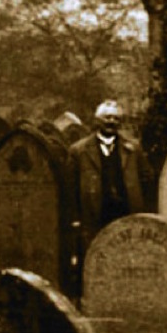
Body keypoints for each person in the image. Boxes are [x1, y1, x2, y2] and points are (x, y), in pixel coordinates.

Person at [67, 100, 154, 292]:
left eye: (116, 118)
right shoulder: (79, 151)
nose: (111, 122)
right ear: (97, 121)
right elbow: (71, 189)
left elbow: (147, 179)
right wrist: (76, 219)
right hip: (94, 214)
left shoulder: (133, 148)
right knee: (97, 259)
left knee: (127, 257)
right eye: (107, 118)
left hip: (126, 212)